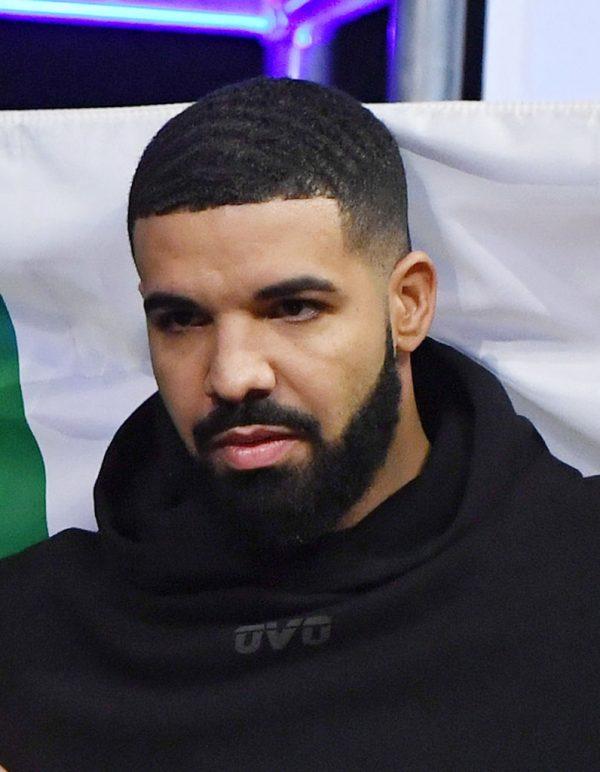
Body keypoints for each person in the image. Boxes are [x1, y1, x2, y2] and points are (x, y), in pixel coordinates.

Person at [1, 76, 599, 771]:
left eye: (292, 309)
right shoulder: (31, 632)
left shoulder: (578, 576)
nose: (233, 375)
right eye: (182, 320)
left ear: (407, 304)